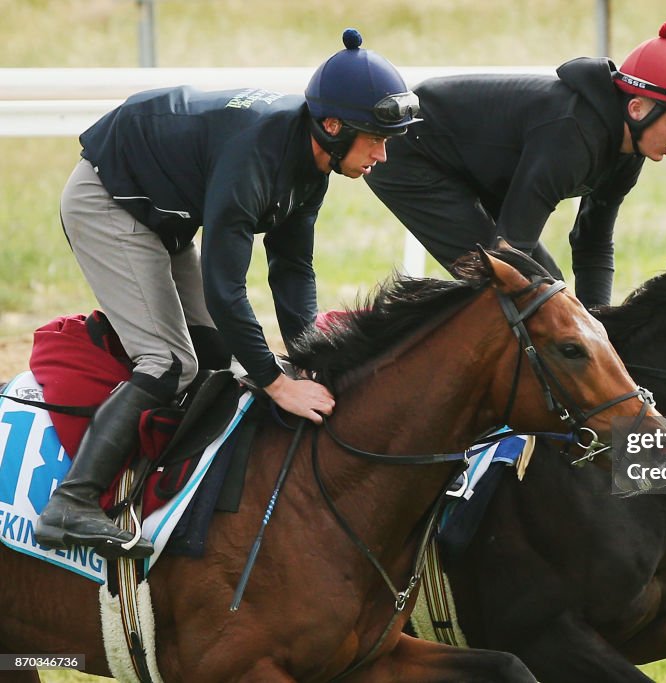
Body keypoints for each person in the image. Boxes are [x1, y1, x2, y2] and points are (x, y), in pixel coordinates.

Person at [34, 28, 420, 559]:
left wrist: (307, 361)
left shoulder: (312, 163)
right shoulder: (255, 159)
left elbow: (291, 270)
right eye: (376, 139)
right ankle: (70, 506)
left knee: (216, 357)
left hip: (162, 207)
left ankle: (168, 481)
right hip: (110, 199)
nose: (383, 154)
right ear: (332, 126)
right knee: (169, 363)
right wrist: (276, 383)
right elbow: (225, 288)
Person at [364, 20, 666, 309]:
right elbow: (508, 253)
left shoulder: (628, 150)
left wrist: (600, 324)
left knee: (549, 296)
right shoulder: (572, 135)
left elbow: (592, 241)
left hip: (471, 163)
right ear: (637, 108)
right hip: (408, 152)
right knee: (533, 296)